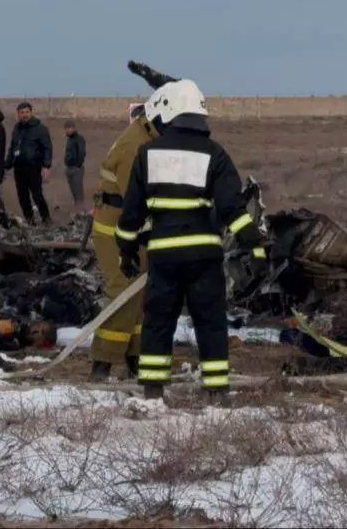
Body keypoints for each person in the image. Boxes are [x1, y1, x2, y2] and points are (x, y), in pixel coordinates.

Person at [114, 79, 266, 404]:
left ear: (167, 111)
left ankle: (153, 391)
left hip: (163, 255)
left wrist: (125, 250)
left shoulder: (147, 153)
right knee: (210, 322)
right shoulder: (216, 154)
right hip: (204, 256)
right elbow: (232, 209)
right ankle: (217, 391)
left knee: (158, 320)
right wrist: (254, 244)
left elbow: (130, 215)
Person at [87, 88, 170, 383]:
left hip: (133, 230)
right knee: (123, 292)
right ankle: (103, 362)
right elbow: (137, 198)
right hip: (116, 232)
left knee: (140, 294)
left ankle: (134, 357)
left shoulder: (148, 137)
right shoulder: (136, 146)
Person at [5, 102, 53, 225]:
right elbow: (12, 148)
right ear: (18, 114)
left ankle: (46, 218)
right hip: (19, 167)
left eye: (27, 112)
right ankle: (30, 220)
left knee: (37, 195)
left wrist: (46, 166)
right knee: (22, 196)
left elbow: (47, 147)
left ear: (31, 112)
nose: (24, 115)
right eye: (22, 113)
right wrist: (6, 165)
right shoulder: (17, 129)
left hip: (33, 167)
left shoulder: (40, 129)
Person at [63, 120, 88, 212]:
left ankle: (82, 211)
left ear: (74, 128)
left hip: (76, 168)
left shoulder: (79, 138)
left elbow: (82, 153)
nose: (68, 130)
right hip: (69, 168)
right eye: (66, 128)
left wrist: (78, 165)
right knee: (74, 191)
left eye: (70, 128)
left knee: (78, 192)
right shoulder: (69, 139)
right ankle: (77, 209)